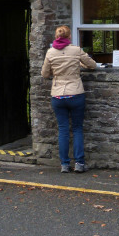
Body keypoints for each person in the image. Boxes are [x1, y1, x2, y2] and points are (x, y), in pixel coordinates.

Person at [41, 25, 97, 173]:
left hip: (58, 95)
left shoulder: (51, 52)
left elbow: (45, 74)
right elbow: (92, 65)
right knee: (77, 129)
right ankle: (79, 163)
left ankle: (64, 164)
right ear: (69, 36)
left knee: (63, 130)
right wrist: (78, 63)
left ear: (56, 36)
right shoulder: (76, 50)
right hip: (76, 93)